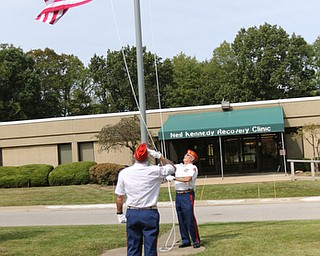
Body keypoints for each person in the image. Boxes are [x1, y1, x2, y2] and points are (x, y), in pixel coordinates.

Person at [115, 142, 176, 256]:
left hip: (132, 212)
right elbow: (172, 167)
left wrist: (119, 213)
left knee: (133, 247)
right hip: (149, 212)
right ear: (148, 157)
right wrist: (160, 156)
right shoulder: (155, 170)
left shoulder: (124, 173)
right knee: (151, 247)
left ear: (134, 156)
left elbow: (119, 196)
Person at [166, 149, 201, 249]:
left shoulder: (192, 168)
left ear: (191, 158)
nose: (185, 156)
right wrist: (159, 156)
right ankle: (185, 240)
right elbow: (169, 164)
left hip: (187, 194)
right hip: (179, 194)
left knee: (189, 218)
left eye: (187, 155)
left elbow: (187, 179)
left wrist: (173, 178)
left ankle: (195, 240)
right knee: (181, 218)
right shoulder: (179, 166)